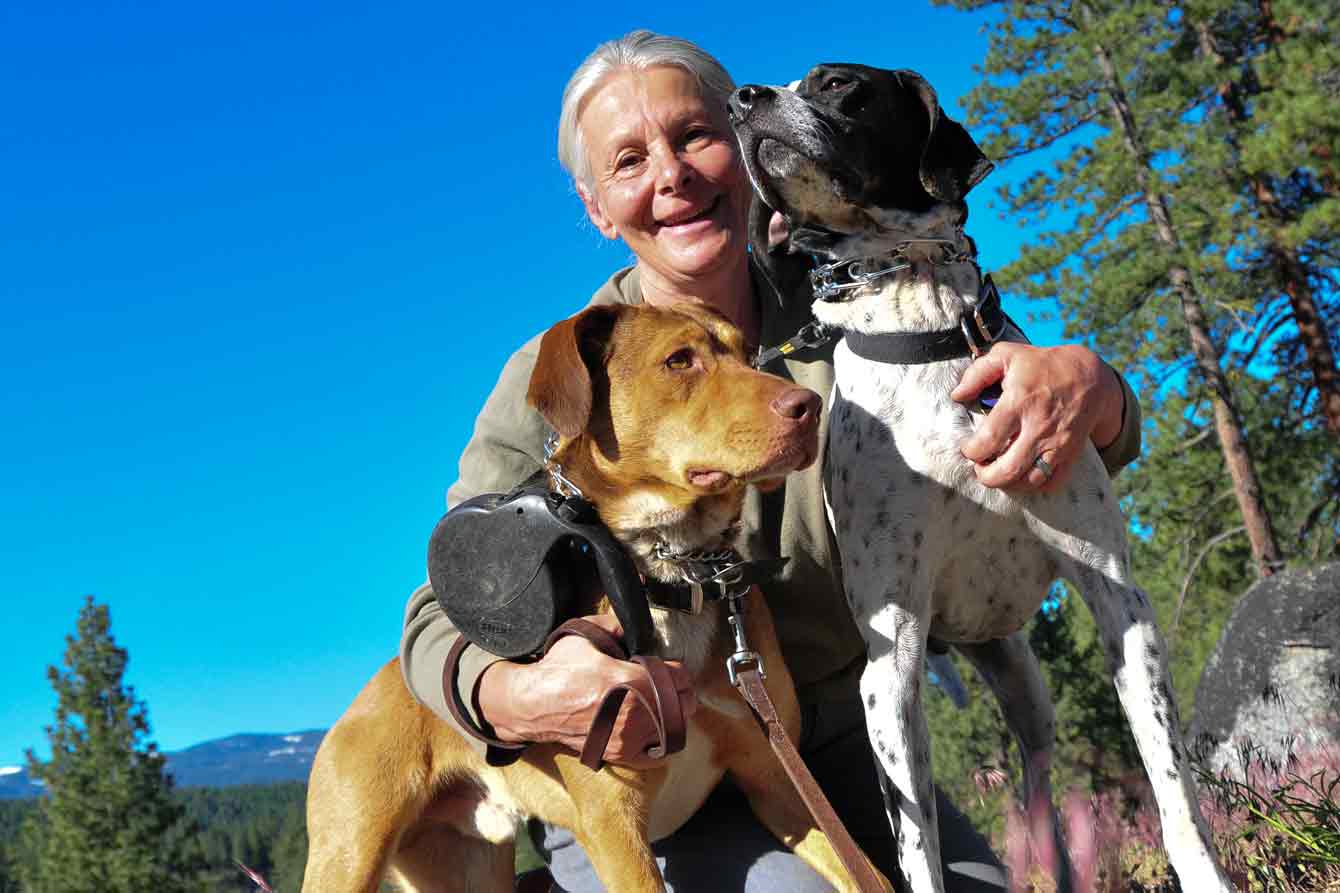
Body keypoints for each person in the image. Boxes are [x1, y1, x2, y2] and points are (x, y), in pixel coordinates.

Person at [400, 31, 1141, 892]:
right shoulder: (568, 374)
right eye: (630, 160)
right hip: (649, 777)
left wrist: (1100, 393)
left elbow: (1036, 432)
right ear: (598, 205)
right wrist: (516, 696)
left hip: (842, 749)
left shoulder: (870, 303)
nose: (671, 174)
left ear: (749, 149)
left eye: (693, 136)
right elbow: (442, 610)